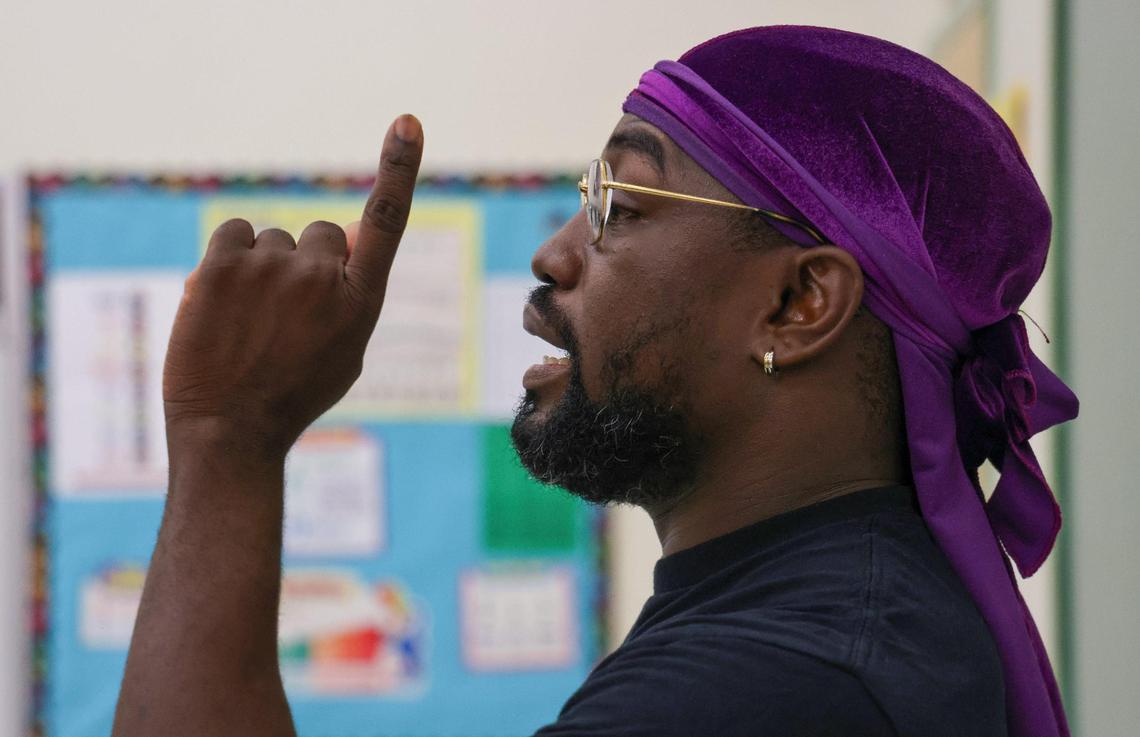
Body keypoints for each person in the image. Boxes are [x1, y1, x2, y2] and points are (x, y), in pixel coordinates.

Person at [111, 26, 1077, 737]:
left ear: (797, 302)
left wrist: (226, 440)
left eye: (618, 201)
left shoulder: (783, 680)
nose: (554, 254)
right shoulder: (823, 619)